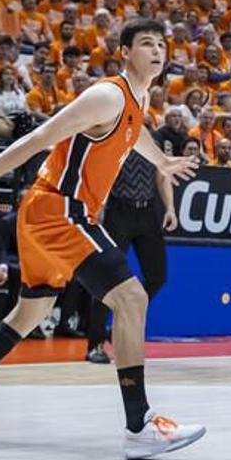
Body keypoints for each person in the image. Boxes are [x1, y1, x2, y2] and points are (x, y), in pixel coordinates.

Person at [0, 19, 205, 460]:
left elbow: (134, 136)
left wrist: (162, 163)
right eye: (146, 43)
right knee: (132, 299)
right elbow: (39, 137)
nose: (157, 50)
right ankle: (140, 425)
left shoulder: (137, 97)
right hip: (59, 208)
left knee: (28, 314)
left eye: (162, 44)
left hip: (46, 213)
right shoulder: (107, 95)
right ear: (124, 52)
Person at [79, 153, 173, 364]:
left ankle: (117, 326)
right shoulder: (118, 137)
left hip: (148, 211)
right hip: (118, 210)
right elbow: (102, 174)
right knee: (107, 279)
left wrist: (171, 208)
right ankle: (96, 343)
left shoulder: (152, 141)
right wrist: (99, 207)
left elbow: (162, 174)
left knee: (158, 276)